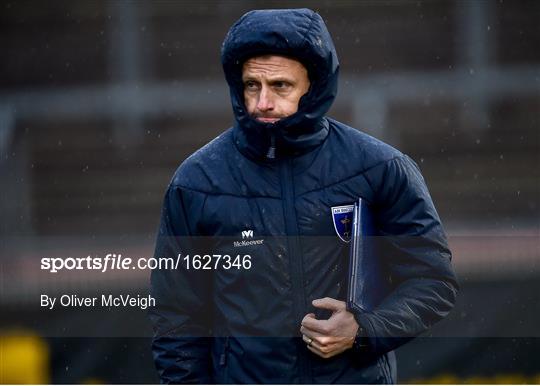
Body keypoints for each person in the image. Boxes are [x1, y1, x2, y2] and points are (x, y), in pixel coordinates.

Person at [149, 8, 458, 384]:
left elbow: (432, 281)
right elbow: (177, 317)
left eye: (280, 86)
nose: (263, 102)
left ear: (313, 87)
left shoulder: (380, 167)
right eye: (251, 85)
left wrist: (364, 331)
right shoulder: (196, 182)